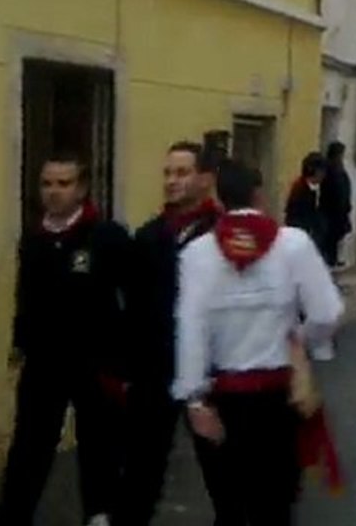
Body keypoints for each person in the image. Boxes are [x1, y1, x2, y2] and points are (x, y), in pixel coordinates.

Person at [173, 160, 345, 525]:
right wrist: (299, 341)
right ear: (259, 194)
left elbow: (190, 327)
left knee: (229, 506)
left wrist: (194, 397)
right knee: (275, 506)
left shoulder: (197, 253)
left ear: (220, 200)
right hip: (277, 395)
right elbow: (327, 313)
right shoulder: (294, 244)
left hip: (222, 397)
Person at [0, 155, 131, 526]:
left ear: (81, 188)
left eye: (63, 184)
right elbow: (26, 296)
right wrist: (20, 342)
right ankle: (12, 517)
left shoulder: (106, 237)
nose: (53, 192)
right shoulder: (34, 239)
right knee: (29, 447)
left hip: (96, 365)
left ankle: (99, 514)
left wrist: (124, 360)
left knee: (99, 446)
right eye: (47, 184)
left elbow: (131, 297)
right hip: (44, 364)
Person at [114, 142, 223, 526]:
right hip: (154, 372)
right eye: (167, 173)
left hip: (210, 376)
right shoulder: (149, 237)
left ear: (206, 179)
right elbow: (132, 307)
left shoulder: (225, 237)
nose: (172, 181)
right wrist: (126, 370)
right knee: (140, 475)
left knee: (223, 474)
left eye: (182, 173)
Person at [285, 151, 328, 255]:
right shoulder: (300, 188)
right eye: (321, 171)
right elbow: (295, 214)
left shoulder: (316, 188)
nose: (323, 175)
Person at [320, 141, 353, 268]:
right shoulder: (332, 169)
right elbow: (336, 189)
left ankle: (333, 259)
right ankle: (330, 259)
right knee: (332, 235)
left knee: (337, 235)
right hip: (334, 209)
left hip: (340, 209)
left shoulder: (337, 168)